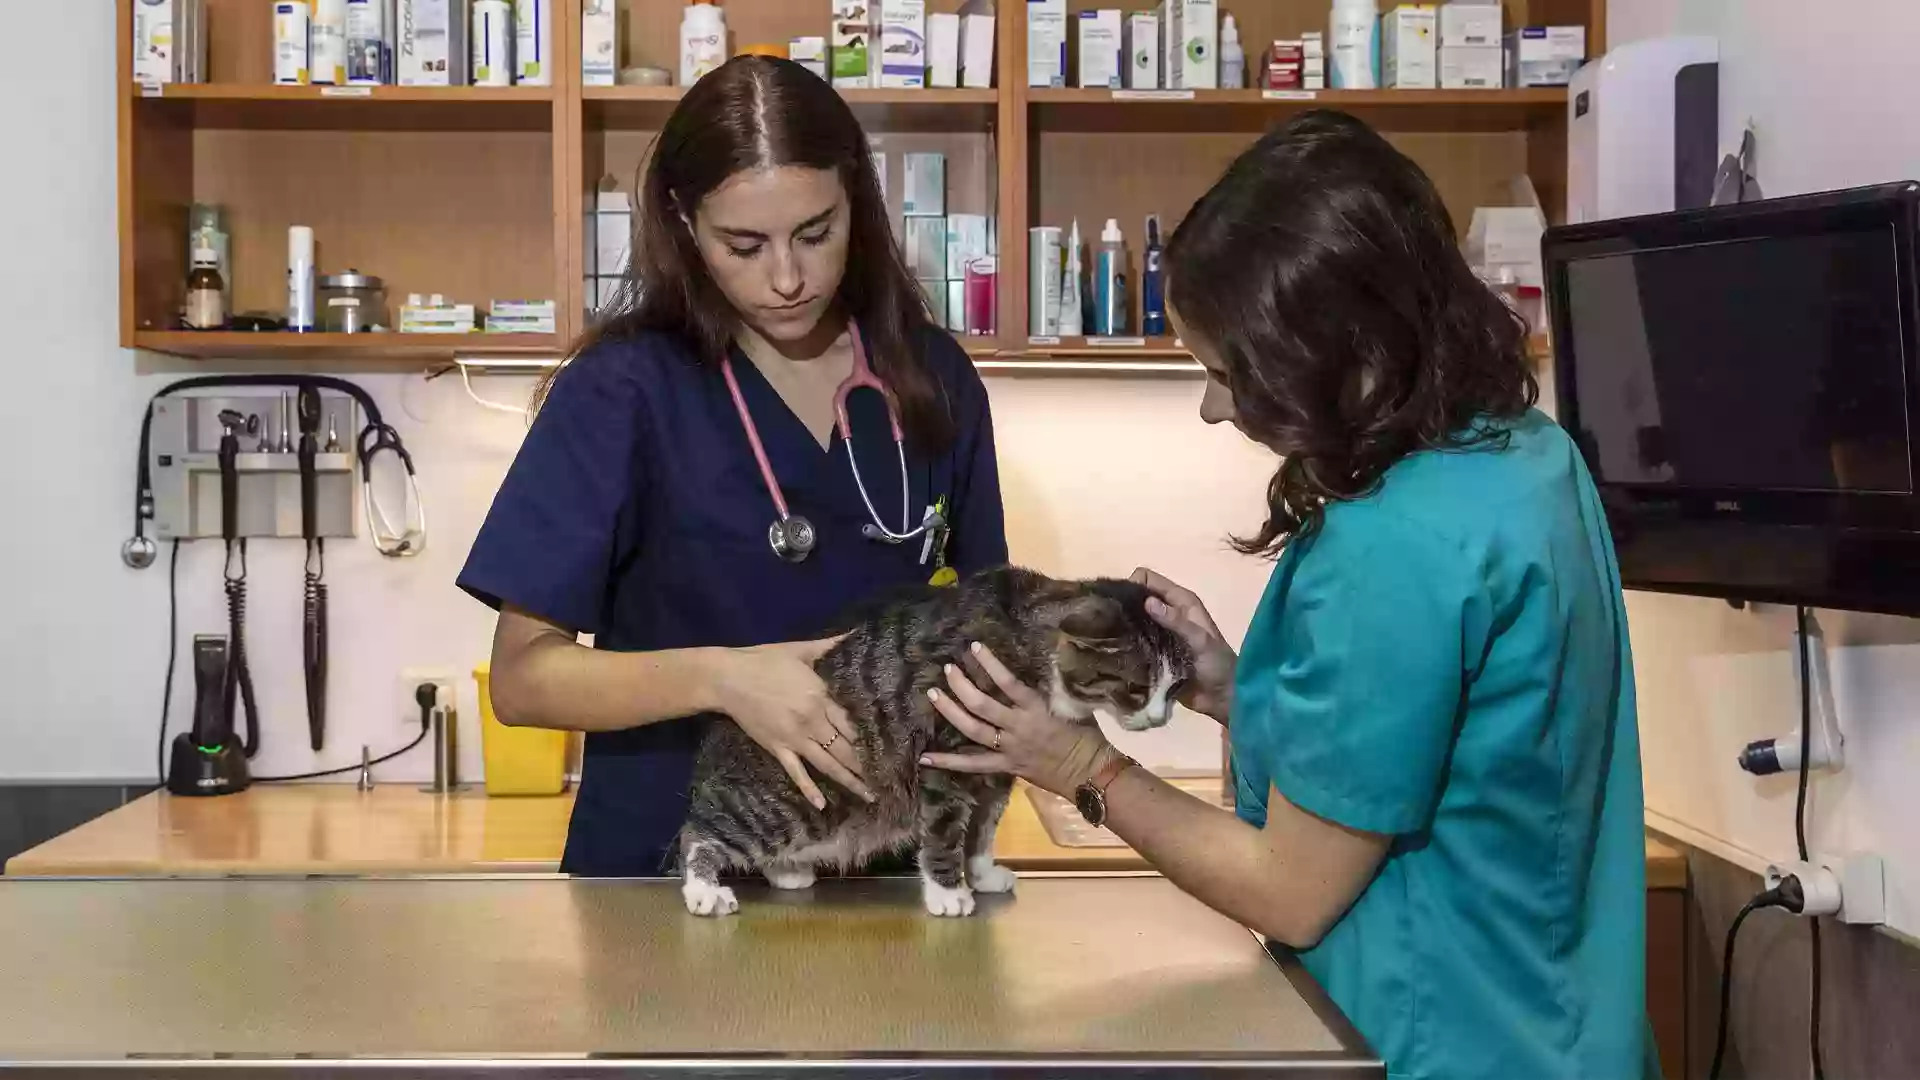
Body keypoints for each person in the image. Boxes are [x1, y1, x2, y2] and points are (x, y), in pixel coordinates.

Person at [922, 111, 1653, 1080]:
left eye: (1231, 373)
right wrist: (1235, 688)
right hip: (1563, 1031)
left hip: (1440, 1044)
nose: (1215, 406)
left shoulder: (1397, 542)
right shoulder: (1526, 456)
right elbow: (1432, 733)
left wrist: (1080, 765)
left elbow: (1291, 890)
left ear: (1346, 351)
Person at [458, 56, 1007, 878]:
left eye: (815, 233)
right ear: (685, 223)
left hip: (883, 880)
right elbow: (523, 680)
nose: (786, 278)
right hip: (668, 874)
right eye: (743, 245)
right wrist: (724, 679)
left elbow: (987, 634)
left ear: (854, 198)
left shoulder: (931, 379)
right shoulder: (624, 391)